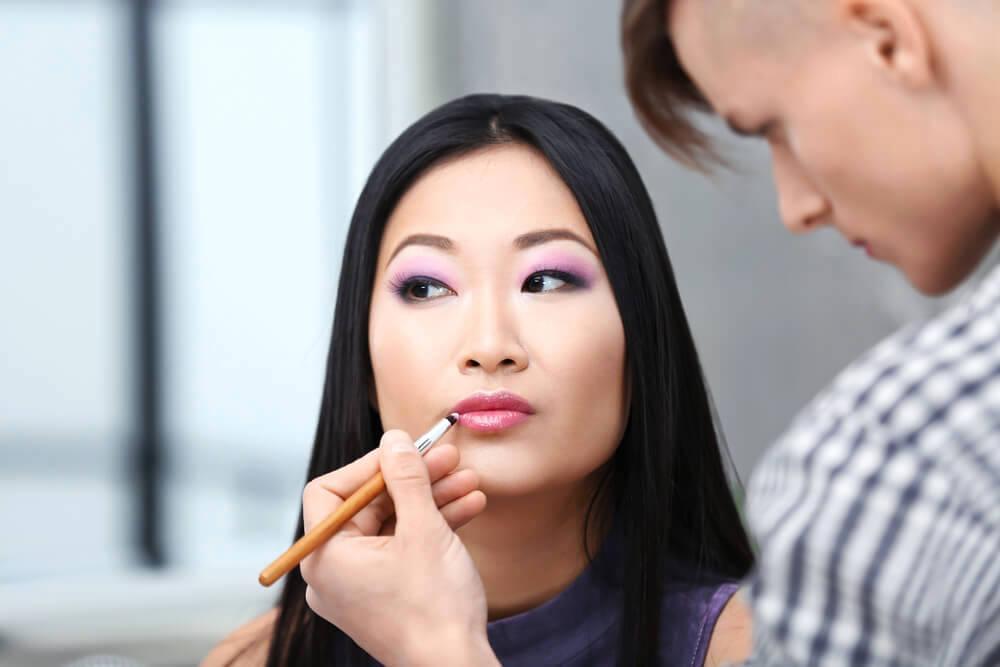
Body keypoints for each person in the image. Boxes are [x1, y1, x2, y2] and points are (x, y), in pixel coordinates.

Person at [204, 94, 756, 666]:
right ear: (363, 361)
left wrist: (439, 651)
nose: (490, 347)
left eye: (544, 281)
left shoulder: (753, 649)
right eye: (426, 288)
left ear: (642, 337)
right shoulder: (257, 659)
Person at [622, 1, 1000, 665]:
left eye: (775, 127)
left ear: (887, 37)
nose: (796, 208)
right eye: (425, 288)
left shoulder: (893, 471)